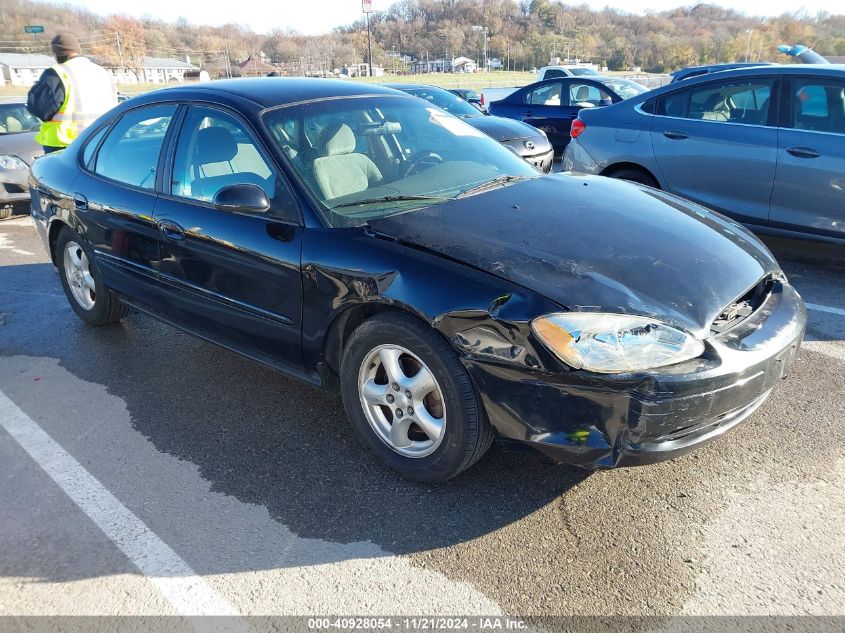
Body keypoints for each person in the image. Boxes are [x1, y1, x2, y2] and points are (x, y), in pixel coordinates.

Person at [27, 33, 117, 153]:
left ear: (56, 54)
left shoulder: (57, 73)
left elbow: (40, 109)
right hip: (102, 143)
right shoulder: (102, 72)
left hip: (66, 148)